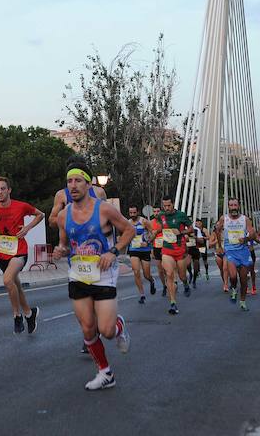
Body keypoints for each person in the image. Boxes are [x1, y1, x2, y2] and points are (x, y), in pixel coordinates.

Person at [53, 161, 134, 391]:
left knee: (106, 331)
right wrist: (61, 250)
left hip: (104, 274)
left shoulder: (104, 209)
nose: (73, 185)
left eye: (78, 180)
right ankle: (105, 372)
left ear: (88, 184)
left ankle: (119, 326)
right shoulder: (63, 216)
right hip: (77, 275)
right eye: (69, 181)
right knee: (88, 328)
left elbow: (128, 230)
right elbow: (66, 244)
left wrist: (114, 251)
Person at [0, 176, 44, 334]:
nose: (0, 192)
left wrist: (27, 228)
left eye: (3, 189)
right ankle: (29, 314)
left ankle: (17, 316)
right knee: (15, 286)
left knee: (7, 280)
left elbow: (40, 214)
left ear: (9, 190)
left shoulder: (21, 206)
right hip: (2, 256)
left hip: (19, 252)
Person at [214, 198, 256, 311]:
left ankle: (242, 301)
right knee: (232, 276)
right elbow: (217, 230)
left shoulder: (245, 219)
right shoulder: (224, 218)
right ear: (228, 207)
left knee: (243, 279)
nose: (233, 207)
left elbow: (252, 233)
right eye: (231, 205)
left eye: (235, 205)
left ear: (239, 206)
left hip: (243, 252)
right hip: (230, 251)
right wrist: (219, 246)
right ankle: (233, 288)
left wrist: (246, 238)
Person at [152, 196, 192, 315]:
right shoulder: (161, 216)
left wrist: (181, 232)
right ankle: (173, 303)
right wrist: (153, 234)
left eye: (169, 205)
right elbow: (160, 228)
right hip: (167, 249)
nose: (167, 208)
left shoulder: (181, 215)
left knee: (182, 276)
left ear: (173, 204)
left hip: (180, 250)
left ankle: (185, 284)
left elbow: (191, 229)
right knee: (169, 274)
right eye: (165, 206)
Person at [126, 205, 154, 304]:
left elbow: (153, 233)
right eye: (130, 213)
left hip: (145, 249)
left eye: (134, 213)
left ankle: (151, 280)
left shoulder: (144, 221)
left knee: (146, 274)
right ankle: (142, 294)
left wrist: (148, 242)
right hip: (133, 249)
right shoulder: (128, 223)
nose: (132, 215)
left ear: (137, 212)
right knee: (136, 272)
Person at [149, 207, 167, 297]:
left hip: (166, 246)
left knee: (166, 267)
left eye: (158, 211)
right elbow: (150, 237)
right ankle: (164, 286)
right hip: (156, 246)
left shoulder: (165, 220)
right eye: (154, 211)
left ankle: (170, 283)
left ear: (161, 212)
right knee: (160, 270)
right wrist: (151, 250)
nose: (156, 213)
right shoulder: (151, 223)